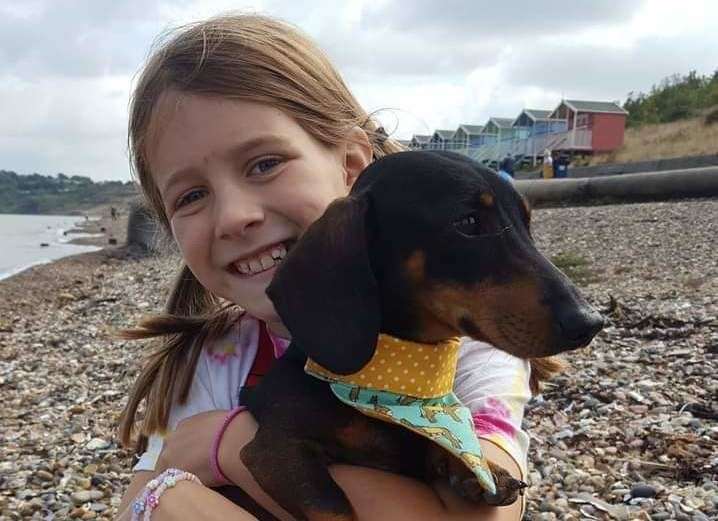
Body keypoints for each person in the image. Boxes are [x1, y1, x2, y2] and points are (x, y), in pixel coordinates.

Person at [116, 14, 532, 521]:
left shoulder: (460, 342)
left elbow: (486, 516)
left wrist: (227, 447)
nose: (234, 216)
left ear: (353, 166)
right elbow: (140, 497)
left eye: (264, 164)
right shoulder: (216, 356)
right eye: (192, 195)